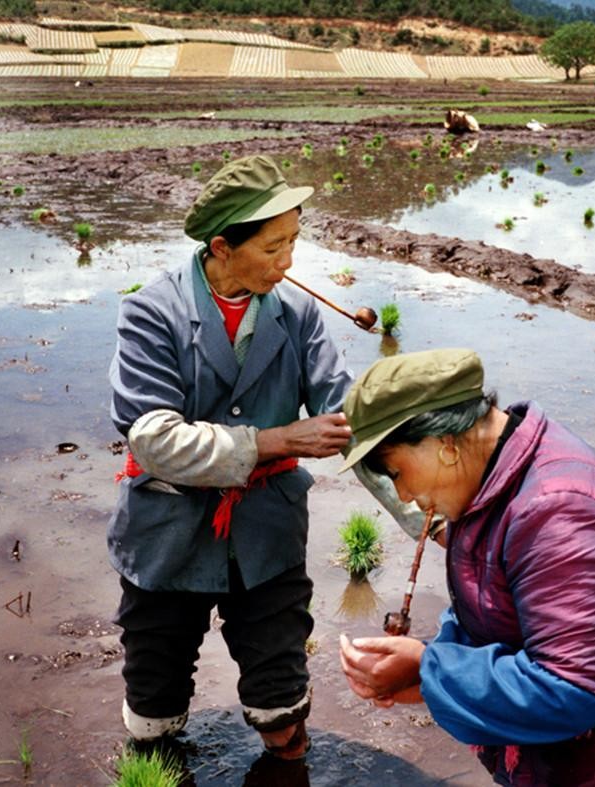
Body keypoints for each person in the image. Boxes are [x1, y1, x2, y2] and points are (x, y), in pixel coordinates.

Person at [337, 348, 595, 786]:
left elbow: (572, 688)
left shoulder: (556, 510)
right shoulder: (494, 474)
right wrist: (429, 668)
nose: (402, 496)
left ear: (443, 445)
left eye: (396, 472)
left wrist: (430, 669)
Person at [107, 154, 355, 767]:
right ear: (223, 246)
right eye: (274, 247)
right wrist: (275, 442)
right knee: (154, 712)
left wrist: (428, 489)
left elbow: (344, 415)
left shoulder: (298, 317)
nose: (288, 261)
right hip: (167, 538)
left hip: (268, 536)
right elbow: (153, 439)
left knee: (282, 703)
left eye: (294, 242)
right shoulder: (151, 313)